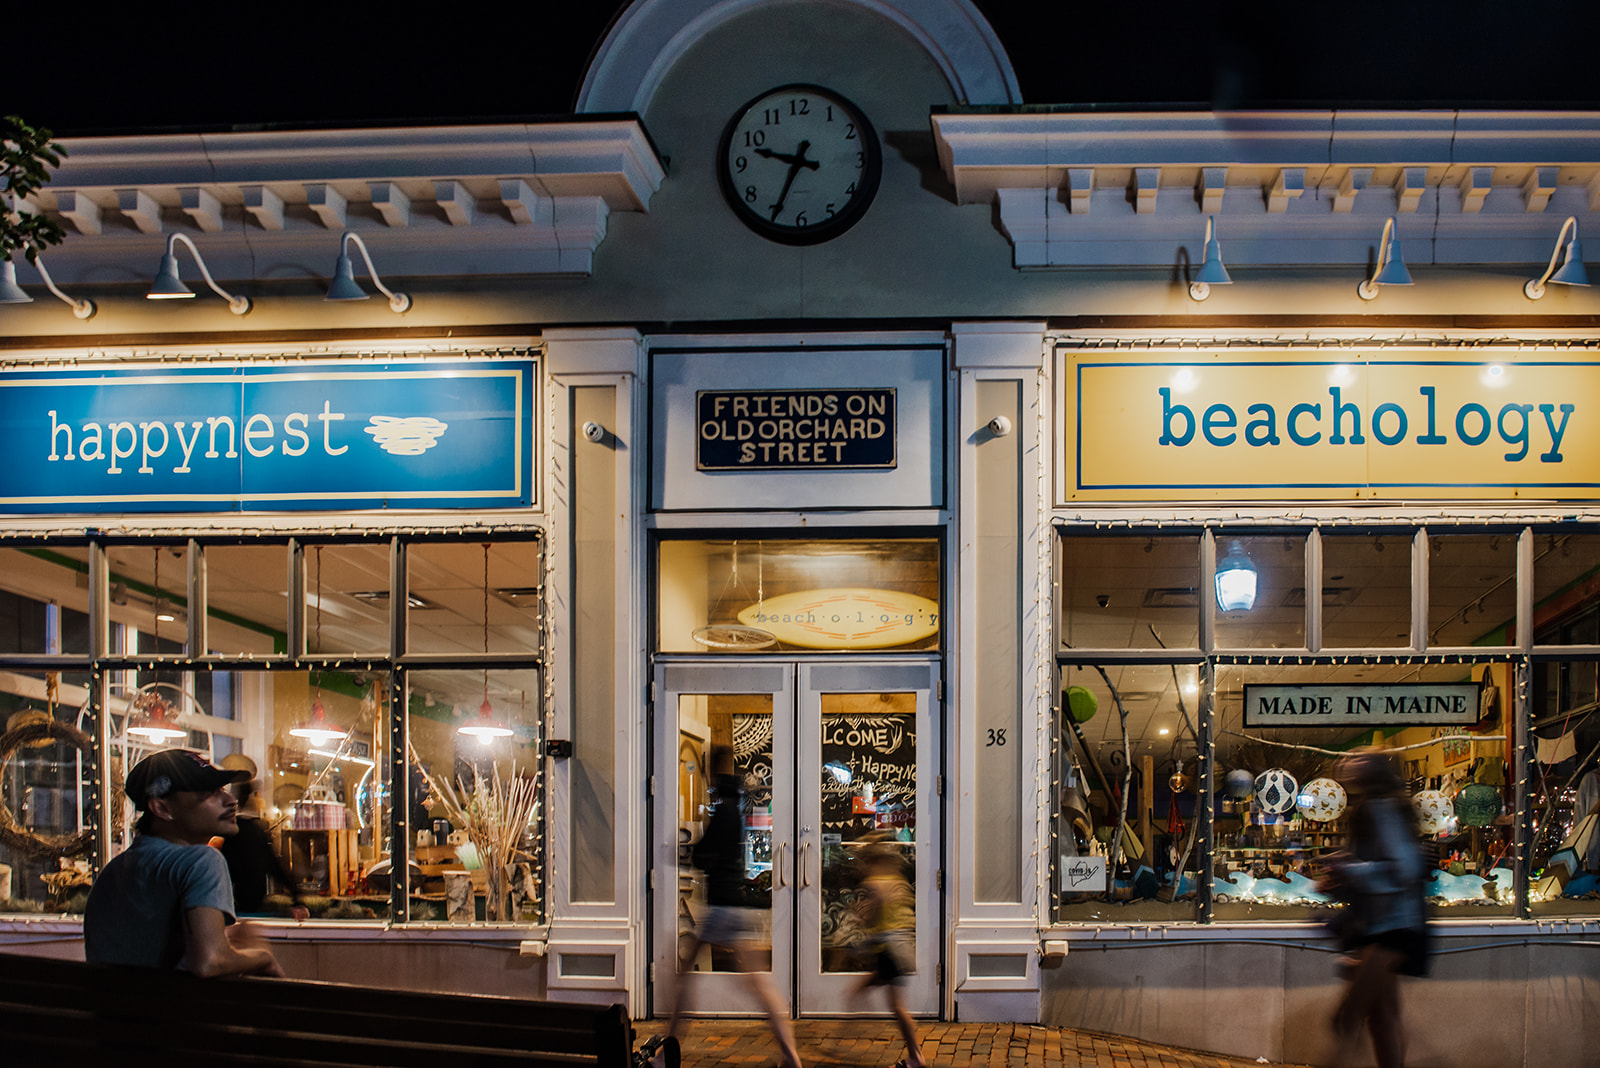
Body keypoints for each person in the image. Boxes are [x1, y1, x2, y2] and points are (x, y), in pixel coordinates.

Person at [84, 749, 287, 977]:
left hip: (109, 1010)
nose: (230, 801)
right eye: (209, 792)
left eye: (223, 790)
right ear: (162, 808)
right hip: (173, 1011)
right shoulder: (201, 860)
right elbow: (210, 963)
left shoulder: (113, 872)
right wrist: (262, 957)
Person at [664, 745, 801, 1068]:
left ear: (714, 769)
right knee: (756, 982)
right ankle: (789, 1053)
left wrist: (693, 853)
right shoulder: (733, 804)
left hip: (723, 906)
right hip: (731, 904)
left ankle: (665, 1054)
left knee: (688, 977)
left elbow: (704, 854)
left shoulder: (723, 807)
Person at [1316, 749, 1429, 1068]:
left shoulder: (1381, 809)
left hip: (1394, 929)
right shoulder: (1375, 808)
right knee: (1382, 1018)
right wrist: (1343, 875)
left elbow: (1404, 868)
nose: (1346, 765)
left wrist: (1348, 870)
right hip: (1385, 927)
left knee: (1348, 1016)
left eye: (1356, 761)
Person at [851, 834, 926, 1068]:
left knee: (896, 1006)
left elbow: (876, 916)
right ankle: (854, 1028)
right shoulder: (896, 880)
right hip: (899, 948)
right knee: (862, 993)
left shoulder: (876, 883)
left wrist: (863, 919)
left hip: (890, 951)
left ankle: (916, 1057)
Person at [219, 780, 309, 920]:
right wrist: (296, 897)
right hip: (250, 898)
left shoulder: (235, 833)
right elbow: (274, 866)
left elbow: (224, 868)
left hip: (237, 902)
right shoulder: (255, 832)